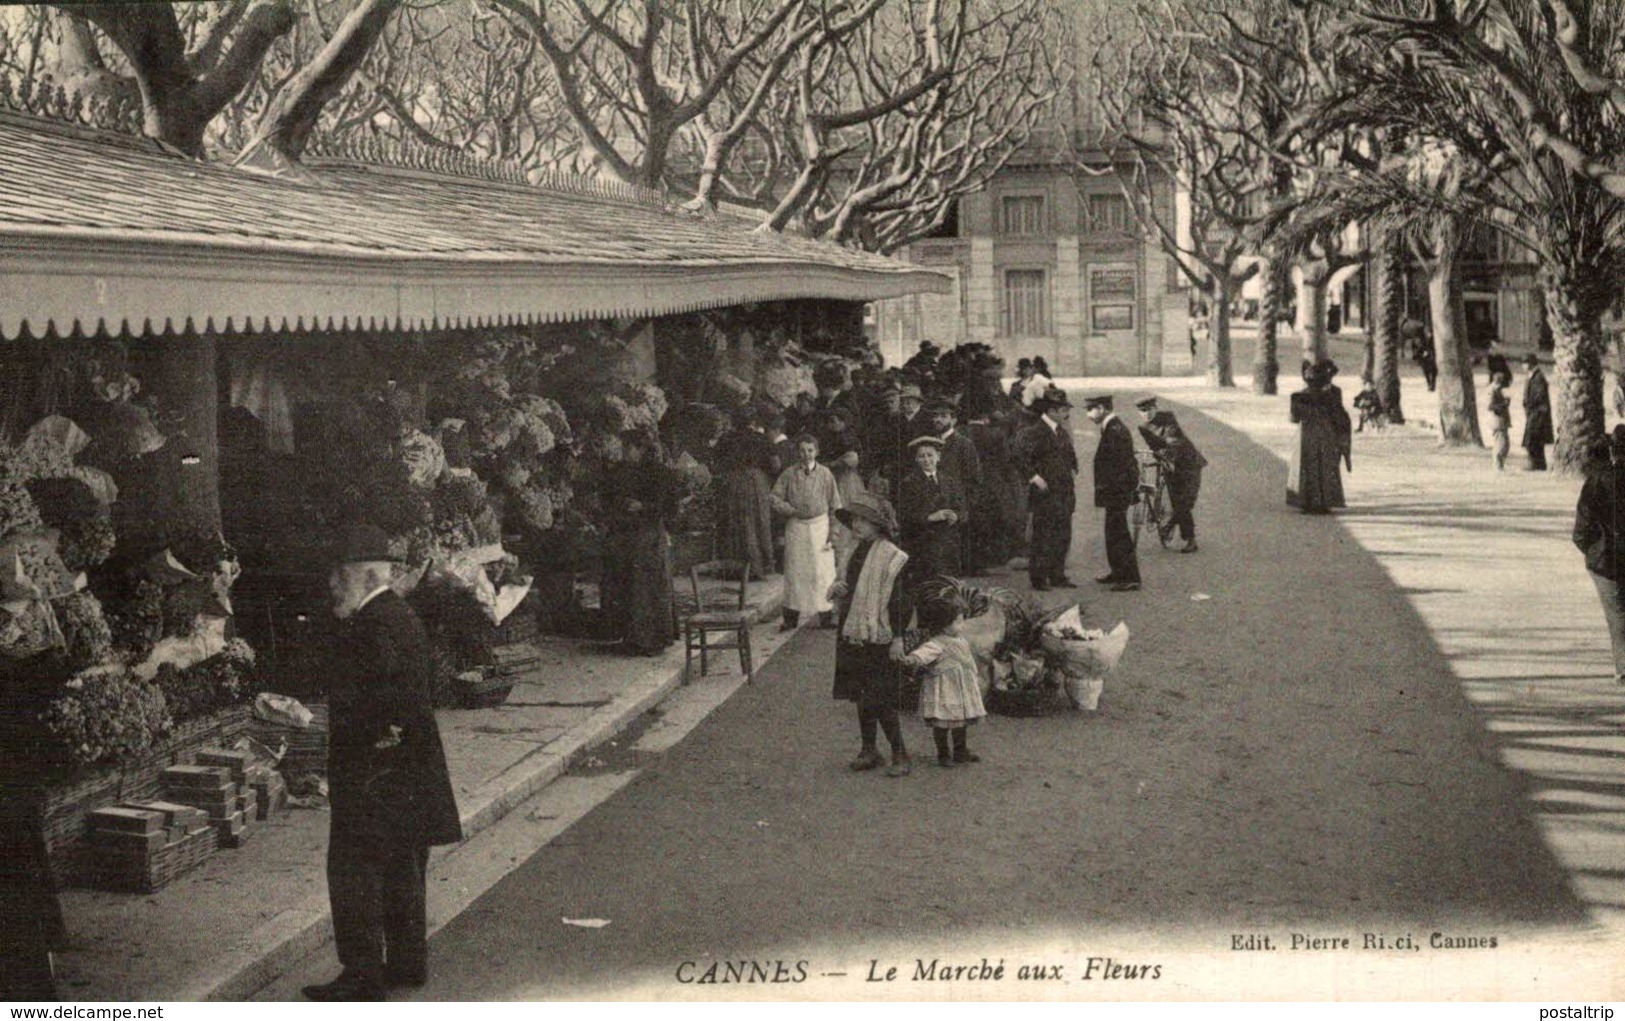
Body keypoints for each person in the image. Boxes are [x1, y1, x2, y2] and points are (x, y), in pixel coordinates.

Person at [304, 523, 462, 1002]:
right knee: (403, 867)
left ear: (370, 577)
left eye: (340, 574)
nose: (332, 583)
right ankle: (408, 963)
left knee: (355, 871)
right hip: (409, 769)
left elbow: (378, 696)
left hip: (373, 770)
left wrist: (373, 739)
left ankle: (362, 976)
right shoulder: (401, 616)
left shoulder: (370, 626)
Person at [828, 492, 914, 777]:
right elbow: (845, 584)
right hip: (852, 630)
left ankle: (900, 752)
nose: (856, 525)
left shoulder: (891, 556)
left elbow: (900, 600)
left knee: (881, 695)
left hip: (878, 633)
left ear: (877, 524)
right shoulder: (853, 550)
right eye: (853, 520)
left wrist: (899, 637)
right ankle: (869, 749)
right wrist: (838, 588)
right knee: (860, 693)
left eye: (862, 520)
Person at [599, 430, 681, 654]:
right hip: (625, 537)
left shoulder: (660, 473)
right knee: (628, 587)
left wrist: (643, 507)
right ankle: (632, 638)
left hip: (649, 535)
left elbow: (672, 508)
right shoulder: (620, 471)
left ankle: (652, 640)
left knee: (648, 588)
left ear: (641, 448)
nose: (624, 452)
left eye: (628, 448)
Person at [900, 596, 986, 767]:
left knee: (960, 721)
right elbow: (923, 653)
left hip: (961, 687)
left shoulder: (960, 640)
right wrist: (913, 659)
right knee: (943, 722)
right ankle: (943, 753)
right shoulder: (936, 644)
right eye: (958, 622)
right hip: (945, 688)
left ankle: (960, 751)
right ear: (944, 626)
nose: (962, 626)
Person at [771, 433, 842, 631]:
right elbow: (774, 498)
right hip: (797, 527)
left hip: (820, 526)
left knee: (823, 572)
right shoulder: (788, 474)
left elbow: (835, 504)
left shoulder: (826, 474)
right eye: (802, 450)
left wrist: (833, 531)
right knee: (795, 571)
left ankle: (826, 616)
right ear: (797, 452)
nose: (806, 454)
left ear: (817, 452)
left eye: (810, 450)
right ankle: (791, 618)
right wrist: (791, 510)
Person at [1573, 424, 1625, 685]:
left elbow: (1581, 530)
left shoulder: (1596, 483)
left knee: (1616, 613)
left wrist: (1593, 550)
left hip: (1605, 559)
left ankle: (1624, 667)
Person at [1013, 386, 1078, 591]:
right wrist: (1033, 477)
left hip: (1064, 491)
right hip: (1045, 492)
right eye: (1063, 409)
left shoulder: (1061, 431)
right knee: (1043, 535)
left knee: (1062, 533)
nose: (1066, 413)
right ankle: (1039, 578)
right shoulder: (1033, 432)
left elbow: (1070, 454)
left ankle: (1057, 574)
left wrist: (1074, 468)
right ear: (1051, 411)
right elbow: (1018, 456)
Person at [1083, 393, 1141, 591]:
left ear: (1102, 408)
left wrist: (1118, 492)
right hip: (1116, 491)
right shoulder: (1111, 427)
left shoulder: (1115, 430)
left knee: (1119, 534)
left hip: (1117, 491)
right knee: (1113, 533)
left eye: (1091, 410)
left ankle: (1129, 577)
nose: (1088, 415)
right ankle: (1118, 572)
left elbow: (1122, 465)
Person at [1134, 395, 1207, 554]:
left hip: (1189, 465)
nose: (1146, 414)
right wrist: (1157, 456)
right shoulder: (1143, 427)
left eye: (1149, 410)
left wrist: (1167, 453)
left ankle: (1190, 540)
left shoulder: (1167, 418)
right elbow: (1153, 446)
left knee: (1185, 503)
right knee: (1176, 503)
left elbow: (1174, 440)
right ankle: (1172, 526)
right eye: (1142, 411)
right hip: (1169, 465)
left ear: (1155, 408)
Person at [713, 409, 779, 579]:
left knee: (734, 522)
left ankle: (734, 570)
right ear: (752, 422)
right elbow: (775, 465)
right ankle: (760, 567)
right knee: (758, 522)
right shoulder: (760, 438)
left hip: (732, 482)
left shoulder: (726, 439)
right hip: (756, 481)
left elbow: (715, 463)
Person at [896, 434, 967, 584]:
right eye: (921, 456)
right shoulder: (909, 483)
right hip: (922, 545)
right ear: (916, 459)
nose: (927, 460)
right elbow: (904, 515)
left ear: (938, 457)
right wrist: (929, 517)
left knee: (948, 586)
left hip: (948, 544)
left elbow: (962, 509)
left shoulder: (949, 481)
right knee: (927, 587)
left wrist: (956, 516)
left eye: (930, 455)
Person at [1287, 359, 1353, 514]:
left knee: (1307, 465)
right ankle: (1324, 501)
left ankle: (1306, 500)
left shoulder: (1299, 397)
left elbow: (1293, 418)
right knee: (1325, 465)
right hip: (1326, 433)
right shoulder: (1334, 393)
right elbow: (1339, 416)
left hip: (1307, 434)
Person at [1523, 353, 1553, 471]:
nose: (1523, 366)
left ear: (1531, 364)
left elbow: (1539, 396)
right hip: (1534, 412)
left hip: (1538, 413)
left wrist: (1529, 403)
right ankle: (1538, 464)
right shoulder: (1532, 376)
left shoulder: (1538, 377)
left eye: (1525, 363)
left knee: (1534, 438)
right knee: (1535, 439)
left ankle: (1536, 464)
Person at [1487, 371, 1512, 471]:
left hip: (1501, 421)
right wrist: (1505, 403)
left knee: (1505, 443)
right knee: (1500, 444)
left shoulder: (1496, 390)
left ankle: (1500, 465)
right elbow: (1491, 406)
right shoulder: (1493, 390)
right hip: (1498, 422)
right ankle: (1498, 465)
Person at [1404, 318, 1437, 392]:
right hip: (1424, 353)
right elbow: (1416, 346)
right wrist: (1420, 352)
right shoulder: (1418, 336)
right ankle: (1430, 384)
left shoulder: (1431, 335)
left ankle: (1432, 384)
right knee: (1427, 369)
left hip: (1430, 352)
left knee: (1433, 369)